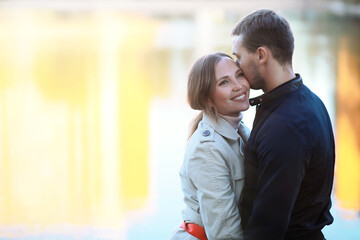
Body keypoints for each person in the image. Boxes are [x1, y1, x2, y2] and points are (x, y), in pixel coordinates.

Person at [231, 9, 335, 240]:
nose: (236, 66)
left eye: (238, 57)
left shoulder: (286, 127)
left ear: (261, 55)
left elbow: (267, 229)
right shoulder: (309, 101)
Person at [169, 52, 250, 240]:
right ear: (207, 98)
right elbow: (226, 234)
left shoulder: (241, 132)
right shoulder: (208, 149)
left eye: (239, 75)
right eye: (224, 82)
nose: (239, 86)